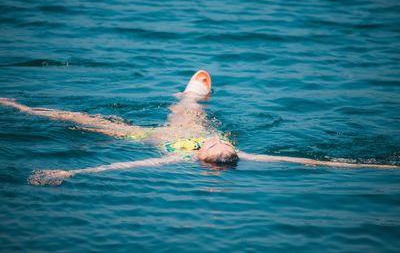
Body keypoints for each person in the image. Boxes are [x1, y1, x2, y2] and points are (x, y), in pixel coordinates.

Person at [0, 70, 397, 186]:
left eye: (216, 144)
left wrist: (69, 171)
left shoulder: (178, 162)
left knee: (83, 121)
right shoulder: (242, 154)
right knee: (191, 111)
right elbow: (317, 163)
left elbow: (121, 168)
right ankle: (192, 97)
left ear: (203, 156)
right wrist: (383, 168)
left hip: (153, 140)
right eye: (223, 140)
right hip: (185, 129)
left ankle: (20, 106)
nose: (220, 139)